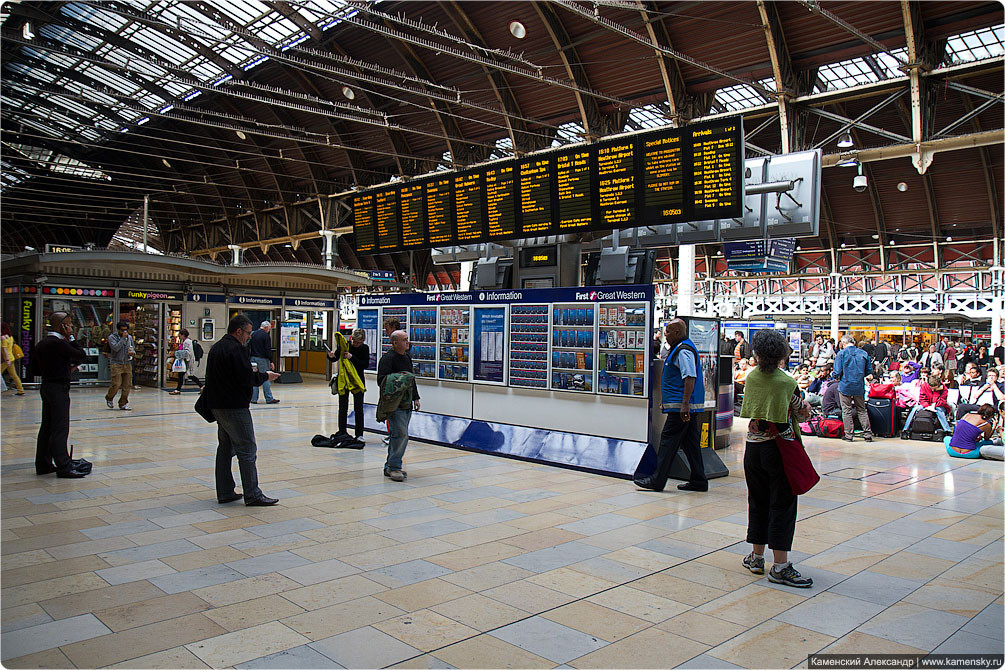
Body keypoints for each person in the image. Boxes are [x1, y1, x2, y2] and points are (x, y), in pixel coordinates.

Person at [739, 328, 813, 588]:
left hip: (753, 448)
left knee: (757, 500)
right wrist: (805, 409)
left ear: (756, 354)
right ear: (781, 353)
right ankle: (780, 566)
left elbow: (752, 412)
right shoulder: (787, 382)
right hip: (779, 450)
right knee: (782, 504)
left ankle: (756, 557)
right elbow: (800, 413)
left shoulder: (751, 378)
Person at [204, 314, 281, 506]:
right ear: (238, 331)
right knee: (247, 448)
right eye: (247, 333)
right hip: (234, 406)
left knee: (225, 448)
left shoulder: (217, 348)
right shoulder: (235, 349)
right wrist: (265, 376)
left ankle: (225, 491)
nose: (249, 337)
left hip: (218, 406)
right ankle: (253, 494)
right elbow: (246, 378)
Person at [634, 319, 707, 493]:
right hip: (681, 405)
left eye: (668, 331)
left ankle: (657, 480)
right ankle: (699, 480)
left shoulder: (683, 351)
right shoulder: (680, 348)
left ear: (677, 332)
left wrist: (684, 405)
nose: (664, 334)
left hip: (681, 409)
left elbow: (689, 376)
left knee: (668, 442)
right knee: (691, 444)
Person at [33, 312, 90, 478]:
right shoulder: (59, 344)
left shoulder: (42, 343)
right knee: (60, 427)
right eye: (69, 325)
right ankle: (64, 465)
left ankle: (43, 464)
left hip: (47, 386)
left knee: (47, 426)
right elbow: (81, 354)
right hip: (59, 388)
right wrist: (72, 337)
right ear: (62, 326)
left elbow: (35, 369)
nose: (71, 328)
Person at [377, 330, 419, 482]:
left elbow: (411, 378)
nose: (408, 342)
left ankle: (390, 465)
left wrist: (416, 397)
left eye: (407, 339)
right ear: (395, 343)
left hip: (407, 403)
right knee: (401, 435)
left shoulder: (407, 357)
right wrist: (400, 379)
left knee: (399, 435)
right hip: (395, 405)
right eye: (404, 340)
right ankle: (394, 467)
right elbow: (381, 381)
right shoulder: (387, 359)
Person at [328, 328, 369, 442]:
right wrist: (331, 356)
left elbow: (364, 364)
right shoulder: (345, 345)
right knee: (343, 407)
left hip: (357, 380)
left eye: (358, 343)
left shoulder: (364, 348)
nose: (355, 344)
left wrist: (352, 357)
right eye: (354, 341)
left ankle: (359, 433)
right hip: (344, 379)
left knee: (358, 408)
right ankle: (342, 431)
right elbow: (336, 357)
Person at [832, 336, 873, 442]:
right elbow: (869, 370)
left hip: (845, 385)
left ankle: (849, 435)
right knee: (862, 410)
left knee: (846, 410)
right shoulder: (863, 353)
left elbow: (837, 372)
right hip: (859, 385)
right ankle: (867, 434)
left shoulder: (841, 354)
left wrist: (837, 377)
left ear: (843, 343)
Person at [105, 320, 135, 410]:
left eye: (126, 330)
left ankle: (123, 403)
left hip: (127, 362)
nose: (124, 332)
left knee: (127, 384)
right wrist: (122, 338)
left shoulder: (129, 338)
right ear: (118, 330)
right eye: (122, 330)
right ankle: (109, 397)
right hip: (116, 363)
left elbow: (132, 347)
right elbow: (115, 348)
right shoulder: (112, 337)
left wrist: (133, 353)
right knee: (116, 383)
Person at [249, 320, 279, 404]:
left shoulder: (253, 334)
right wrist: (271, 361)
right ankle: (269, 398)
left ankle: (253, 398)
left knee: (254, 377)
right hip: (262, 359)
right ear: (266, 328)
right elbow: (267, 349)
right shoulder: (266, 336)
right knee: (266, 377)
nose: (269, 330)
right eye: (269, 329)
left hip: (253, 358)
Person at [169, 329, 203, 395]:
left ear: (183, 335)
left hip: (188, 361)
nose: (179, 336)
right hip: (185, 361)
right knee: (182, 375)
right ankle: (178, 389)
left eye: (180, 335)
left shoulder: (187, 342)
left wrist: (179, 353)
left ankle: (201, 386)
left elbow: (188, 352)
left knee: (189, 375)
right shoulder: (184, 341)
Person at [1, 322, 25, 395]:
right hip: (11, 358)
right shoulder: (10, 337)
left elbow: (4, 350)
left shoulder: (3, 338)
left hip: (6, 359)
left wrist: (7, 360)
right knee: (14, 375)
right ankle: (20, 390)